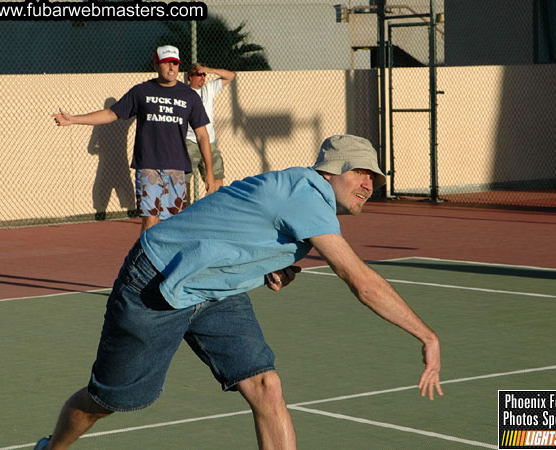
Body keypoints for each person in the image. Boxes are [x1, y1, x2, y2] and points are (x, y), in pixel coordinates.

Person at [34, 135, 443, 450]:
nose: (368, 184)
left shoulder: (302, 193)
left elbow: (238, 226)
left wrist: (273, 265)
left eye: (373, 177)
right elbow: (362, 282)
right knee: (107, 399)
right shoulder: (307, 194)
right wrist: (427, 336)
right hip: (158, 281)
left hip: (216, 289)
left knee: (266, 386)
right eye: (360, 173)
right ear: (332, 170)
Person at [52, 45, 218, 234]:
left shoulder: (189, 96)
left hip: (176, 167)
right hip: (148, 165)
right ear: (156, 64)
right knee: (150, 219)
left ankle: (165, 262)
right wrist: (73, 119)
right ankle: (145, 261)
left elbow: (203, 135)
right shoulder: (142, 91)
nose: (171, 68)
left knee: (172, 223)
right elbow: (110, 113)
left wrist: (209, 173)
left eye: (175, 63)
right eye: (166, 63)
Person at [185, 63, 235, 194]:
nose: (202, 77)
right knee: (183, 180)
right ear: (190, 77)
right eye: (199, 74)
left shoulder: (209, 89)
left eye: (204, 74)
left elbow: (231, 76)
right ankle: (183, 210)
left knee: (217, 180)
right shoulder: (184, 93)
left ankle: (211, 210)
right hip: (190, 140)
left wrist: (210, 70)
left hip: (210, 141)